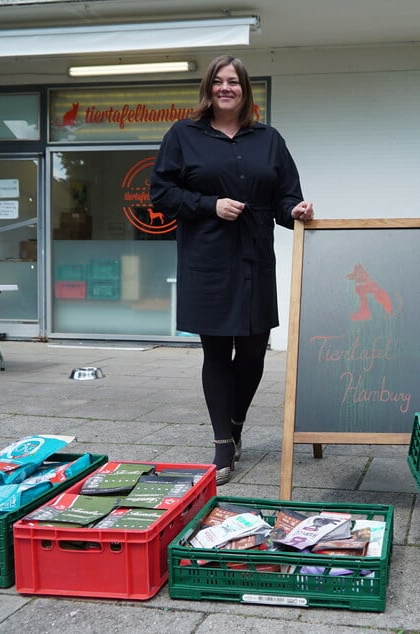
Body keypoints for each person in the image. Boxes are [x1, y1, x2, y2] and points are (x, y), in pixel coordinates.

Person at [150, 55, 314, 484]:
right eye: (219, 82)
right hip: (208, 258)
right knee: (217, 351)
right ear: (209, 88)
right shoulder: (183, 135)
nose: (227, 88)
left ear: (245, 90)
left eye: (234, 82)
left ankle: (236, 422)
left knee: (255, 350)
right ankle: (223, 443)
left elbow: (284, 196)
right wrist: (209, 204)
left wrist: (295, 209)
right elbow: (161, 194)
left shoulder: (269, 139)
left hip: (255, 256)